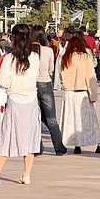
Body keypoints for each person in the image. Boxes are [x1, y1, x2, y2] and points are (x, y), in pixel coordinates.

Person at [0, 24, 41, 187]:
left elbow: (3, 81)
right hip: (31, 100)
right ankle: (26, 174)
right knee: (30, 138)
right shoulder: (35, 57)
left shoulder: (9, 59)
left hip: (14, 101)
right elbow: (35, 76)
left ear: (13, 38)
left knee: (6, 137)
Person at [59, 31, 100, 155]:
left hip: (68, 93)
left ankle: (75, 145)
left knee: (71, 120)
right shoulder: (84, 57)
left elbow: (60, 74)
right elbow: (90, 77)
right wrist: (93, 94)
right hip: (82, 92)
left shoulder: (64, 58)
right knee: (89, 120)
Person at [27, 25, 67, 156]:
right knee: (51, 119)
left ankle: (37, 148)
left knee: (34, 119)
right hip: (45, 83)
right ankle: (59, 148)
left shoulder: (27, 50)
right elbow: (51, 69)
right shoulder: (48, 50)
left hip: (31, 85)